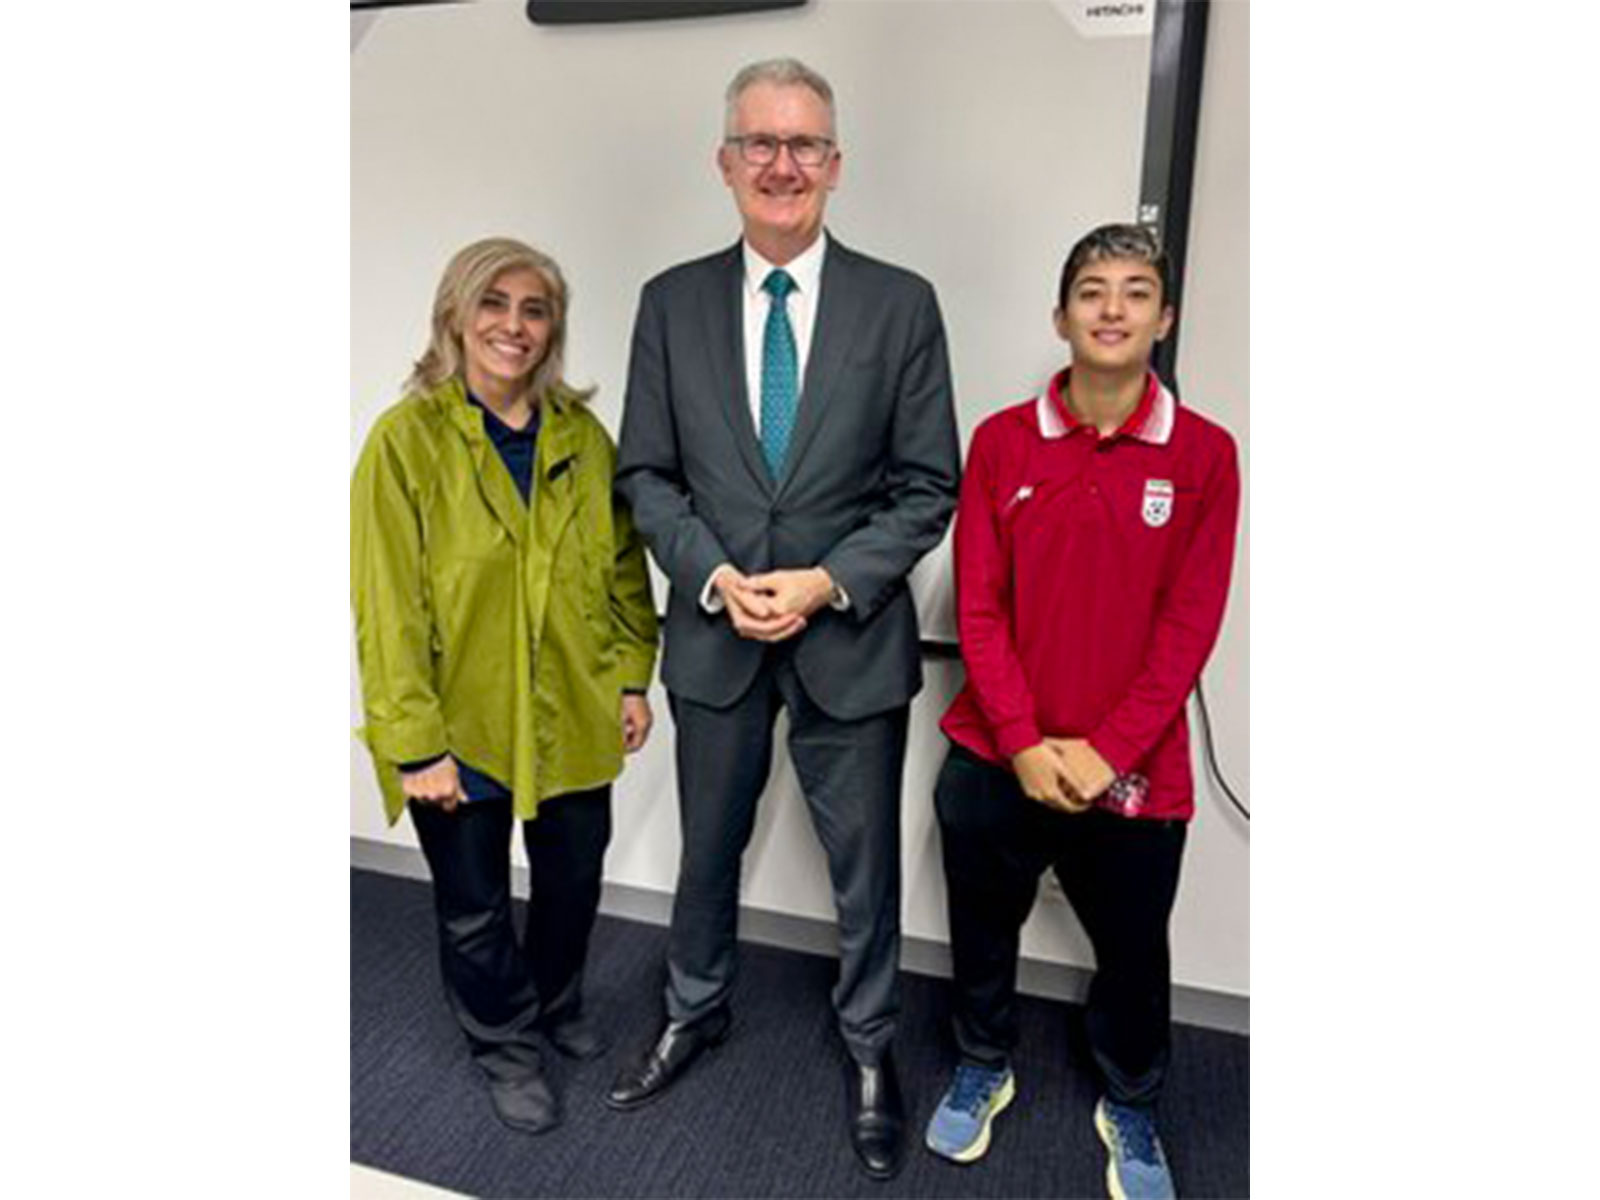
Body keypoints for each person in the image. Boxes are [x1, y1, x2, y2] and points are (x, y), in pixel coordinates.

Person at [607, 58, 960, 1181]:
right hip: (714, 636)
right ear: (723, 163)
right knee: (707, 851)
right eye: (758, 143)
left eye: (803, 144)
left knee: (864, 872)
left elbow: (925, 484)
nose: (781, 164)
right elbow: (647, 476)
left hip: (848, 642)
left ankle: (869, 1048)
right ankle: (692, 1009)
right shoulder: (667, 302)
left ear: (836, 165)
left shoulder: (900, 304)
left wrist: (822, 582)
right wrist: (715, 576)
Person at [924, 223, 1240, 1200]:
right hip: (997, 752)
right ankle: (983, 1059)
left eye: (1134, 291)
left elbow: (1190, 623)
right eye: (1092, 291)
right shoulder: (1002, 441)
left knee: (1134, 951)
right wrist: (1020, 743)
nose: (1111, 308)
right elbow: (977, 602)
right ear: (1059, 316)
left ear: (1164, 318)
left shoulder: (1204, 455)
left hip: (1133, 766)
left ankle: (1131, 1098)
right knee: (981, 926)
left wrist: (1107, 750)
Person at [351, 237, 659, 1135]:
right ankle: (504, 1043)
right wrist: (414, 744)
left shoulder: (581, 437)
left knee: (573, 880)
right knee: (475, 905)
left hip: (573, 701)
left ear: (551, 328)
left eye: (534, 310)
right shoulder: (404, 442)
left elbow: (625, 569)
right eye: (494, 304)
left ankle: (555, 1003)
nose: (513, 327)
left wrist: (633, 675)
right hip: (461, 720)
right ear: (456, 313)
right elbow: (387, 605)